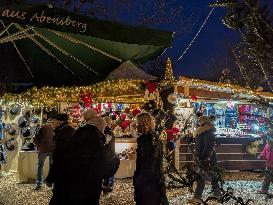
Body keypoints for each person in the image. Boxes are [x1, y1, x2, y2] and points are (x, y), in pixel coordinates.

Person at [133, 112, 168, 205]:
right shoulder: (155, 137)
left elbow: (148, 162)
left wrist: (139, 180)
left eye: (137, 123)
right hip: (155, 178)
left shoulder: (146, 140)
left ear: (142, 123)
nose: (136, 126)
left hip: (148, 181)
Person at [188, 116, 221, 204]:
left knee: (201, 177)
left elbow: (208, 147)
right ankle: (217, 194)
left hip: (206, 158)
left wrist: (203, 157)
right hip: (206, 158)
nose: (198, 123)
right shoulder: (203, 131)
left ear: (203, 123)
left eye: (199, 121)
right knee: (213, 175)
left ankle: (197, 197)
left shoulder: (208, 132)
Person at [46, 113, 76, 205]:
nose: (52, 124)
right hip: (69, 172)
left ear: (59, 122)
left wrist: (50, 177)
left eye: (53, 122)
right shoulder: (69, 131)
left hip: (63, 174)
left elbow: (59, 158)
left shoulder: (63, 134)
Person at [33, 122, 54, 191]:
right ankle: (50, 182)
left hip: (43, 149)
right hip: (52, 149)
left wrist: (38, 146)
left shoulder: (42, 127)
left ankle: (39, 184)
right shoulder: (55, 128)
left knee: (40, 166)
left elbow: (35, 138)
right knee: (51, 166)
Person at [102, 116, 116, 193]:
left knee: (106, 170)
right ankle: (109, 186)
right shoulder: (109, 131)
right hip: (110, 153)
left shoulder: (104, 131)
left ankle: (105, 185)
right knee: (110, 171)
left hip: (106, 154)